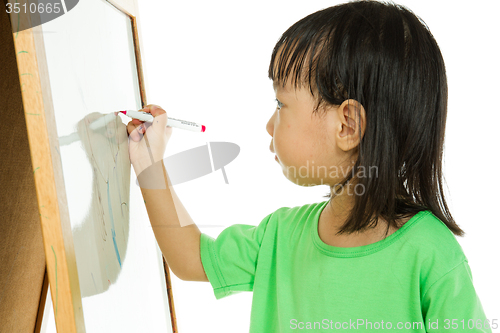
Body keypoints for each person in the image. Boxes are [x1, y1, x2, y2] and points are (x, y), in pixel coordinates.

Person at [126, 1, 492, 332]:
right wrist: (148, 161)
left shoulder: (430, 254)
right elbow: (190, 257)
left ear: (347, 125)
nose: (270, 124)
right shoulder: (280, 236)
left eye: (281, 103)